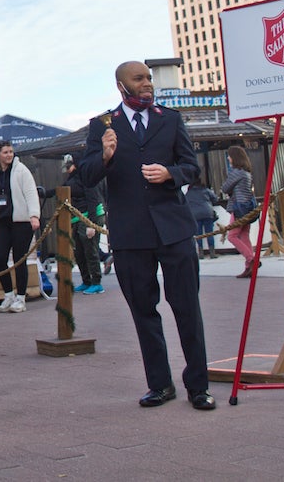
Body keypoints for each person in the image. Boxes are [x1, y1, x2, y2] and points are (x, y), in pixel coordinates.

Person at [79, 60, 215, 411]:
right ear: (121, 86)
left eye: (149, 78)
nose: (147, 84)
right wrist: (106, 155)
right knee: (144, 311)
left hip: (174, 230)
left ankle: (198, 387)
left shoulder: (170, 119)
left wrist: (169, 173)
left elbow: (191, 168)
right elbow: (86, 176)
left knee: (187, 308)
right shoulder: (103, 126)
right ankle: (160, 384)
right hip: (130, 234)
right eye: (139, 79)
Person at [0, 140, 40, 313]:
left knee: (19, 260)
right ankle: (8, 294)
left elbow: (31, 193)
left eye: (11, 151)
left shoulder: (21, 170)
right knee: (0, 258)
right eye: (5, 152)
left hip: (20, 221)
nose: (9, 155)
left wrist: (34, 215)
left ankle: (21, 298)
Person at [62, 156, 107, 294]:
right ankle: (86, 281)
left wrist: (91, 225)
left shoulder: (87, 178)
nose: (67, 170)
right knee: (79, 252)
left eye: (69, 167)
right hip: (76, 218)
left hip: (89, 217)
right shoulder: (71, 179)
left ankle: (96, 282)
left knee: (90, 250)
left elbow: (93, 200)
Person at [221, 146, 257, 277]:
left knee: (232, 236)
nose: (228, 158)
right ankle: (249, 268)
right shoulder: (247, 172)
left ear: (234, 157)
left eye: (229, 156)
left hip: (238, 208)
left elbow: (225, 188)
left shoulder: (236, 172)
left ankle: (251, 259)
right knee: (244, 235)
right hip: (248, 207)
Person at [184, 180, 219, 261]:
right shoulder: (206, 190)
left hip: (195, 215)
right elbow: (215, 199)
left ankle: (201, 254)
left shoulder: (189, 193)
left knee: (198, 234)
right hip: (207, 213)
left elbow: (185, 203)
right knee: (210, 233)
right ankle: (212, 253)